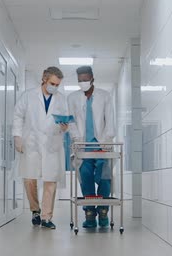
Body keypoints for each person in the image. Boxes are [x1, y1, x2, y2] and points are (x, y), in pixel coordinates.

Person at [12, 66, 69, 230]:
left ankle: (46, 217)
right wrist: (17, 137)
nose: (55, 87)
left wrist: (64, 127)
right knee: (29, 178)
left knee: (50, 180)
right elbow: (18, 116)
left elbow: (64, 120)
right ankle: (35, 210)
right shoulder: (28, 96)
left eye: (58, 85)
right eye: (52, 83)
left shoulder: (61, 99)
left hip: (52, 144)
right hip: (32, 142)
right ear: (44, 79)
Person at [67, 66, 115, 228]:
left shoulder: (104, 96)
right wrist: (76, 138)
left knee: (105, 177)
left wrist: (108, 140)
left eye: (85, 79)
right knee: (85, 176)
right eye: (80, 80)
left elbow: (110, 120)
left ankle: (103, 211)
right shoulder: (72, 98)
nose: (83, 83)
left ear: (93, 78)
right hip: (82, 146)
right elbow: (71, 121)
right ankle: (89, 214)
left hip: (102, 144)